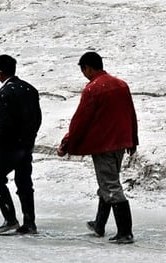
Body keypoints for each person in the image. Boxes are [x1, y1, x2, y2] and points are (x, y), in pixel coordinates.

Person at [57, 51, 139, 244]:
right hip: (121, 142)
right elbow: (131, 113)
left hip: (103, 145)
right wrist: (133, 139)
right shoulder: (121, 84)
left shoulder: (93, 89)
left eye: (83, 70)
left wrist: (66, 144)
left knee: (110, 186)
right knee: (108, 182)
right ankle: (99, 224)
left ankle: (125, 232)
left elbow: (80, 121)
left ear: (87, 68)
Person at [0, 54, 42, 235]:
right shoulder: (30, 89)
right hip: (26, 145)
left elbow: (2, 121)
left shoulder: (4, 93)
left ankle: (10, 219)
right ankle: (30, 222)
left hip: (9, 146)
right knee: (24, 183)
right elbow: (38, 118)